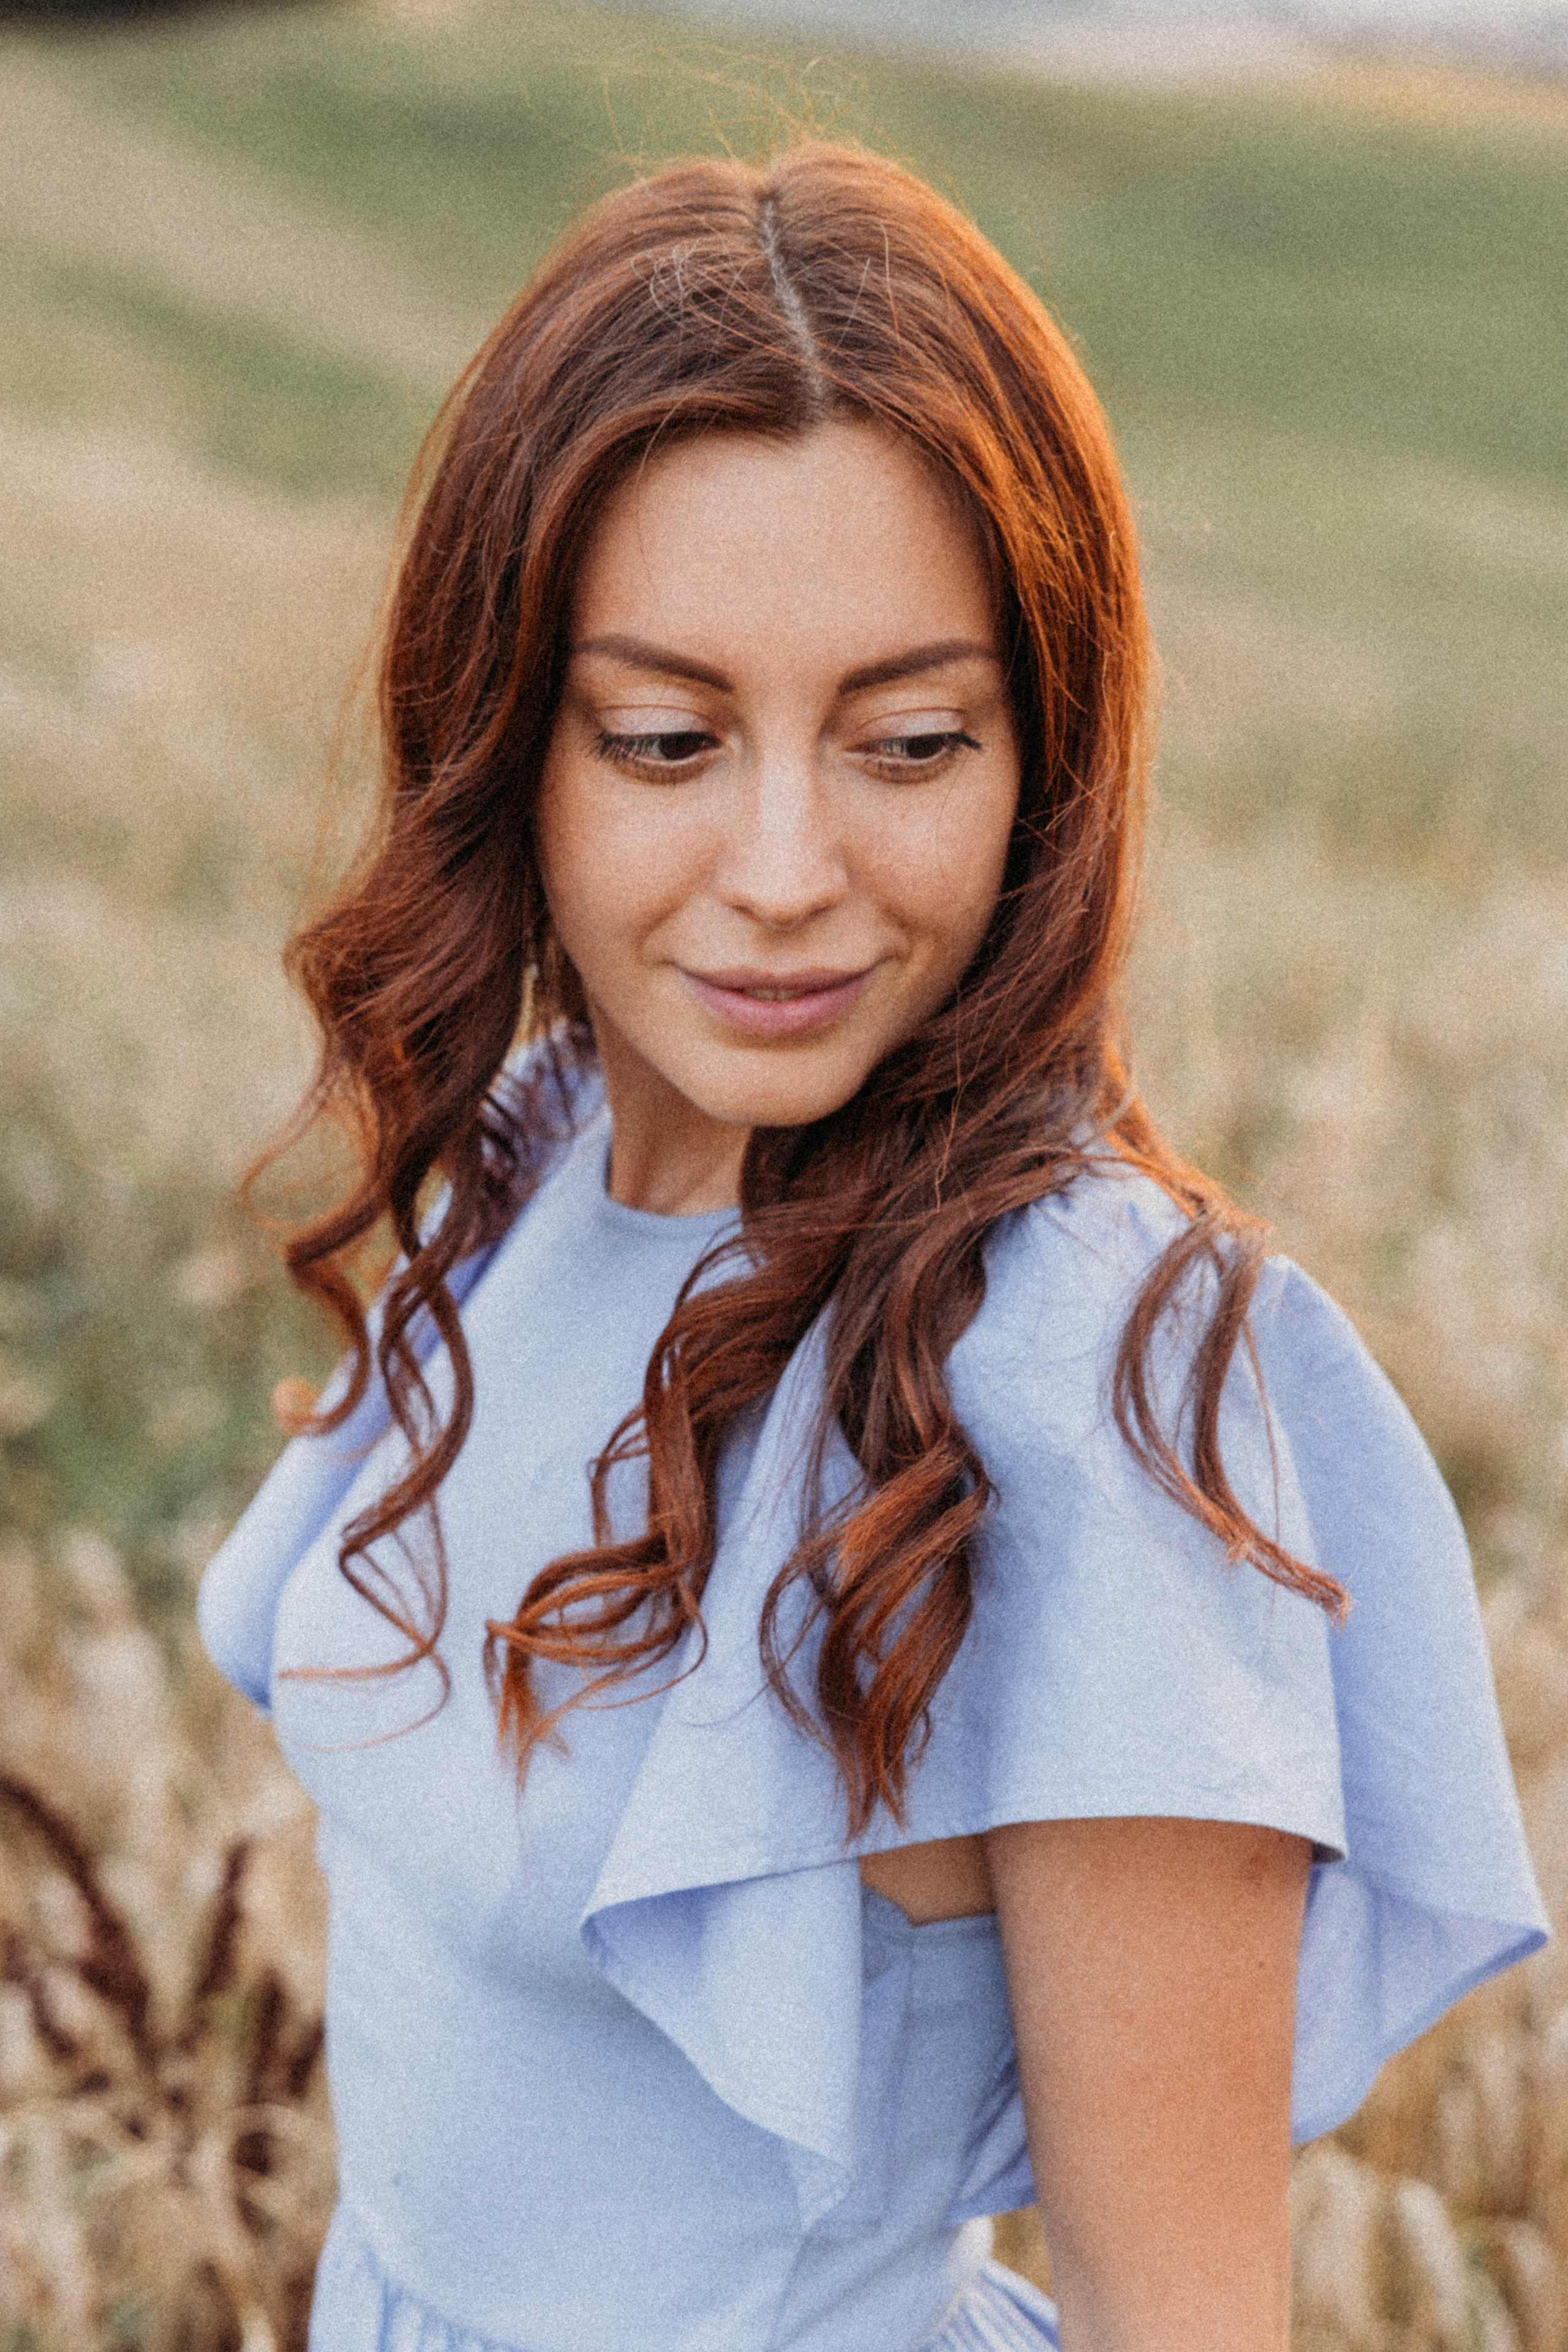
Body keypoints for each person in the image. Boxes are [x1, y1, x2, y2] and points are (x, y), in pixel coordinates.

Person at [198, 143, 1546, 2352]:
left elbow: (1179, 2313)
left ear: (1048, 761)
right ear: (508, 740)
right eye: (665, 739)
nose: (788, 867)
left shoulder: (1095, 1386)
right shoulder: (531, 1161)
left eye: (912, 741)